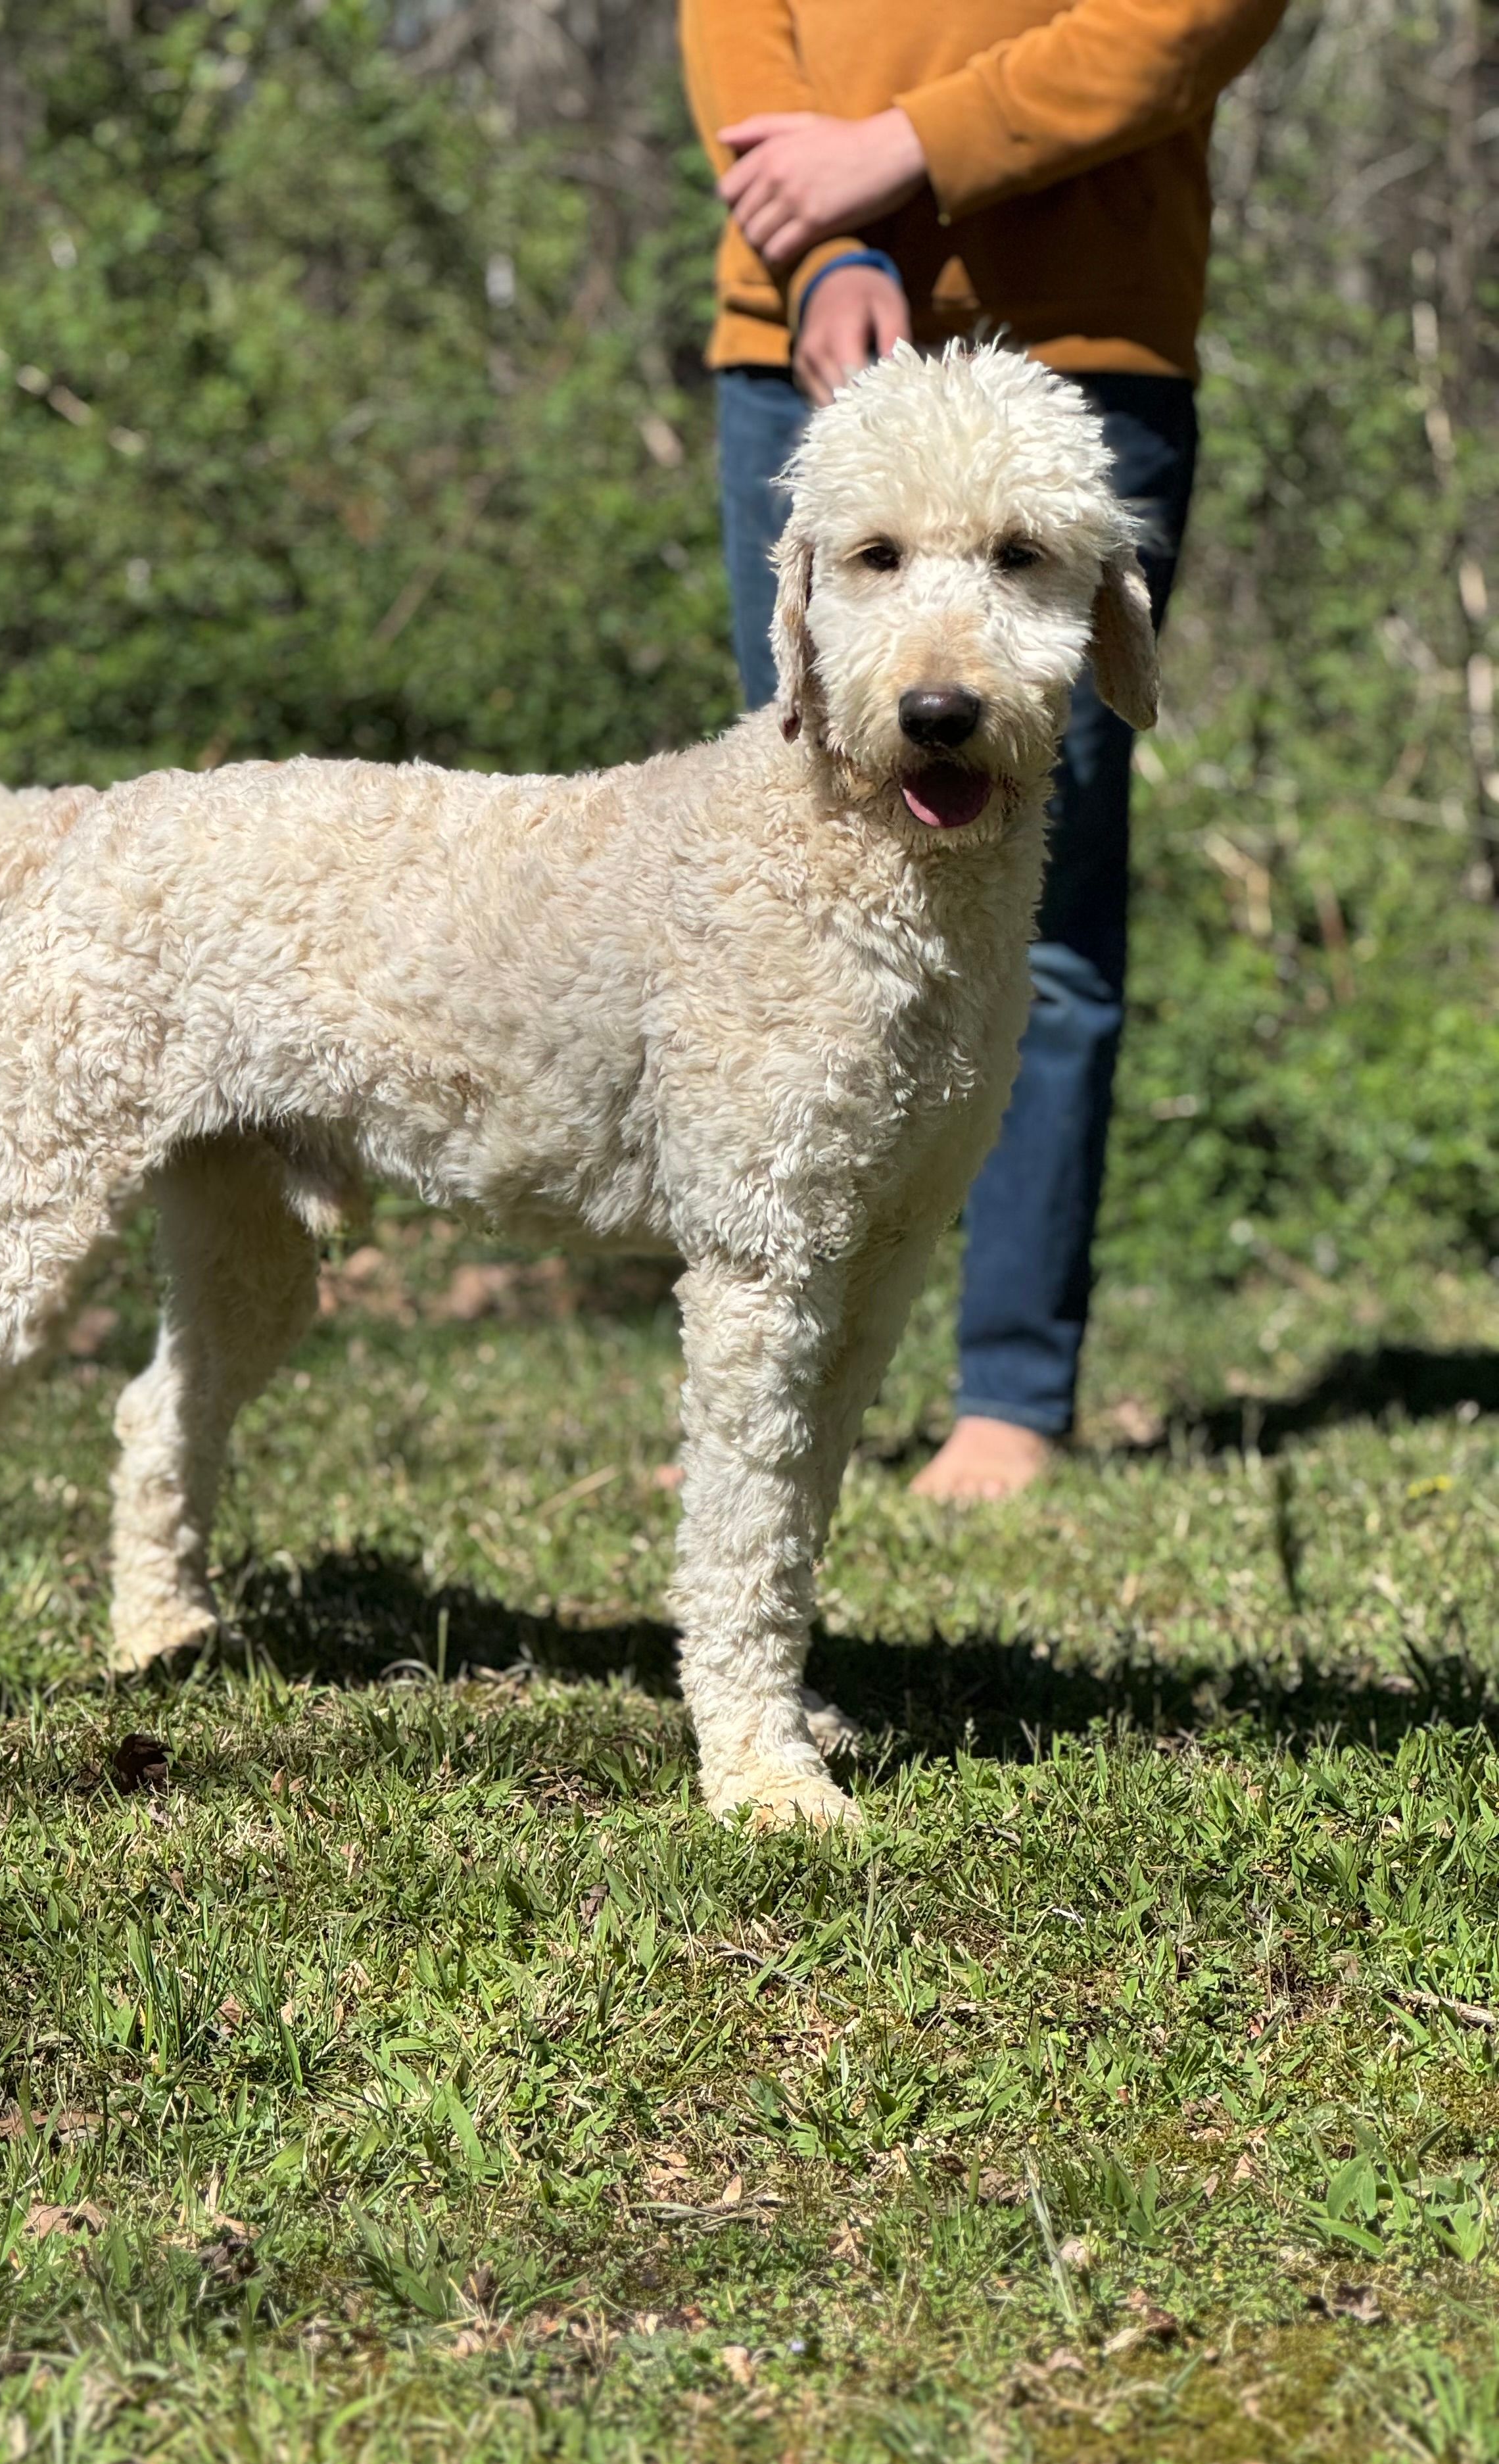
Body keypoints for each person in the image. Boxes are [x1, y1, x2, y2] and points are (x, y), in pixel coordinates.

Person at [681, 0, 1285, 1499]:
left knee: (1047, 888)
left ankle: (1011, 1392)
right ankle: (768, 1366)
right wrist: (819, 244)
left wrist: (897, 151)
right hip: (800, 316)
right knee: (792, 875)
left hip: (1085, 319)